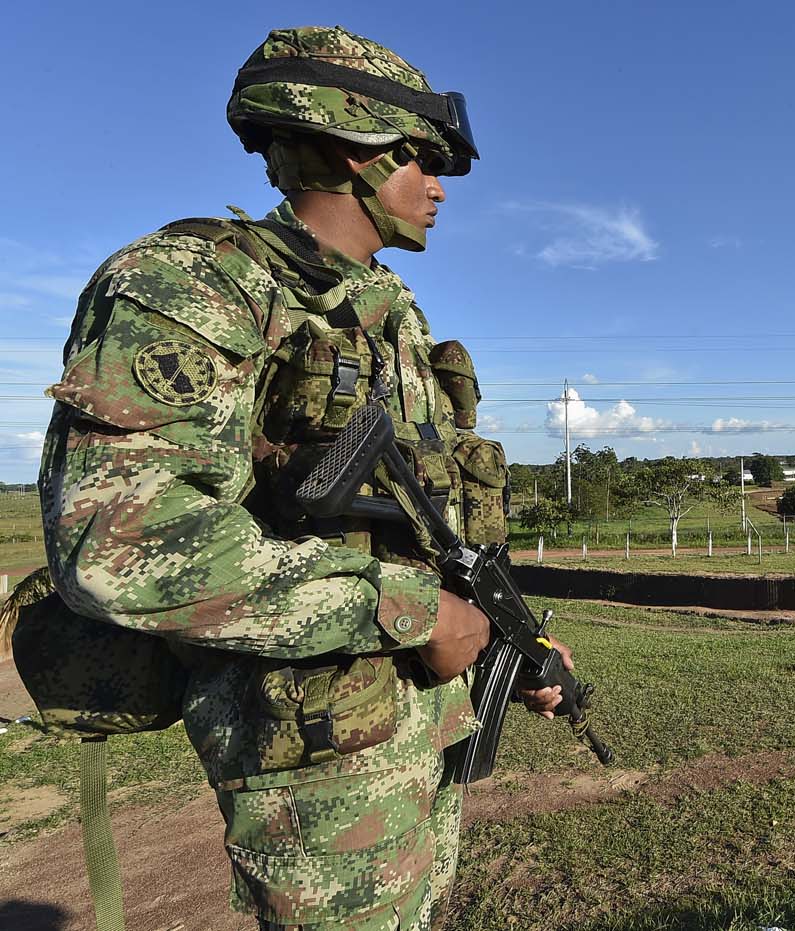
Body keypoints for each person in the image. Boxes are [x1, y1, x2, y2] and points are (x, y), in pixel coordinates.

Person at [38, 25, 567, 930]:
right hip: (316, 750)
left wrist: (511, 636)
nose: (439, 188)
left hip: (417, 723)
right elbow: (119, 542)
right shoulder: (190, 286)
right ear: (348, 147)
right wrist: (409, 609)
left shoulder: (387, 314)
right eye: (422, 160)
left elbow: (427, 520)